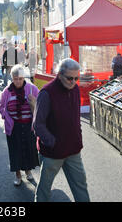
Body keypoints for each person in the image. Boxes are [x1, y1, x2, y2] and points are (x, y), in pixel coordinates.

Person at [33, 58, 90, 202]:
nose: (73, 82)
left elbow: (75, 118)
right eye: (70, 78)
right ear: (59, 75)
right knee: (44, 190)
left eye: (77, 78)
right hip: (53, 153)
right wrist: (53, 142)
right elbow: (38, 125)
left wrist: (78, 137)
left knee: (80, 186)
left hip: (73, 149)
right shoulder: (46, 93)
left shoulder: (75, 88)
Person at [0, 64, 39, 186]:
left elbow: (41, 106)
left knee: (28, 150)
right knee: (15, 151)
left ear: (24, 78)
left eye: (20, 79)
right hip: (14, 126)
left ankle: (28, 172)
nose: (18, 81)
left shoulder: (32, 89)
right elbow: (1, 108)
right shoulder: (6, 91)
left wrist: (34, 102)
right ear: (12, 78)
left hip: (29, 126)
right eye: (15, 79)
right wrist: (6, 116)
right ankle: (18, 175)